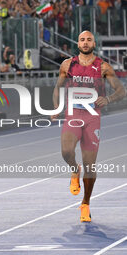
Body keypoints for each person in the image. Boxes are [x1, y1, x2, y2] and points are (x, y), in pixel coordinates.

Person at [52, 31, 126, 222]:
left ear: (94, 43)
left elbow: (121, 90)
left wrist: (108, 98)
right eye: (82, 40)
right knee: (66, 151)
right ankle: (74, 169)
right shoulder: (67, 65)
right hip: (73, 115)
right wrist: (56, 108)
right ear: (77, 43)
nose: (85, 43)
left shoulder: (103, 67)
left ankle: (85, 203)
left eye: (89, 40)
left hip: (93, 118)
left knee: (90, 166)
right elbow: (58, 88)